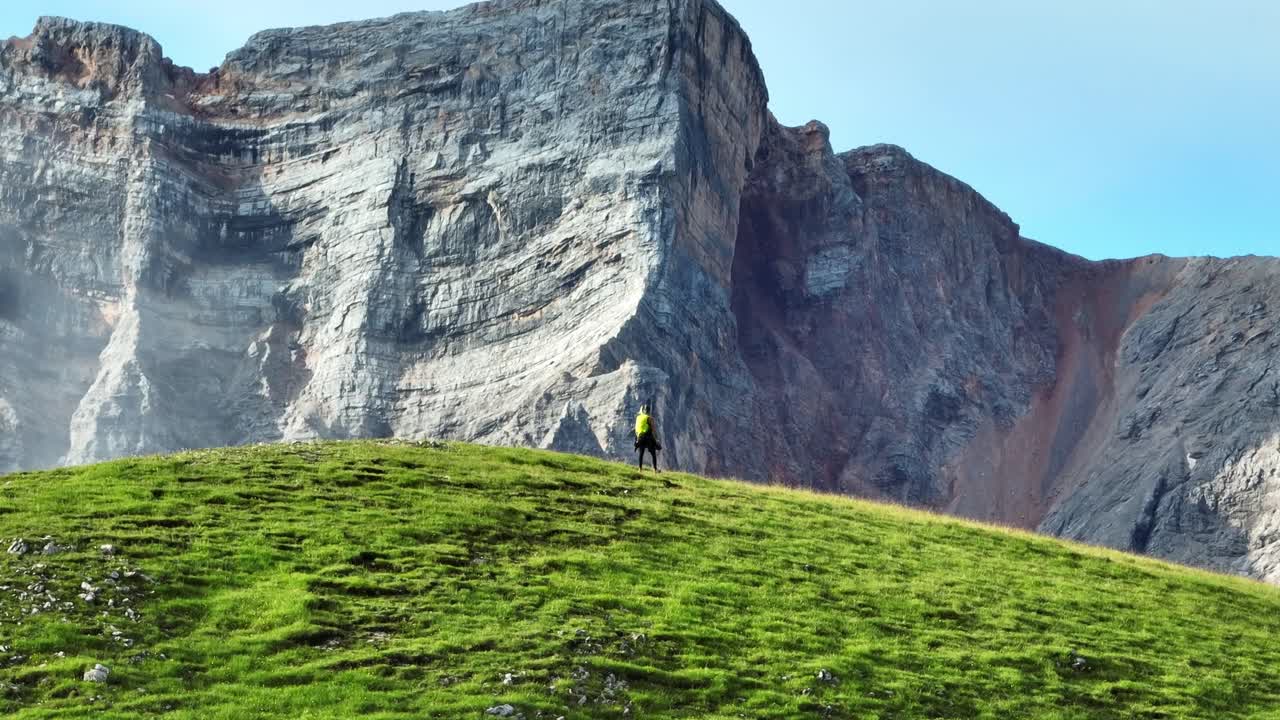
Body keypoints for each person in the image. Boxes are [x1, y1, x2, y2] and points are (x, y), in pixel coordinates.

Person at [634, 404, 662, 472]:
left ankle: (640, 469)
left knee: (641, 453)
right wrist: (656, 440)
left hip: (640, 437)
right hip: (647, 438)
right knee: (653, 453)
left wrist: (637, 439)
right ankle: (655, 469)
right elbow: (653, 430)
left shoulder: (638, 417)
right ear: (649, 411)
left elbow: (637, 428)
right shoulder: (649, 418)